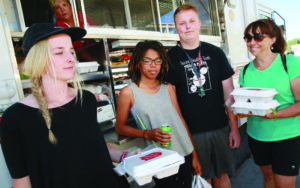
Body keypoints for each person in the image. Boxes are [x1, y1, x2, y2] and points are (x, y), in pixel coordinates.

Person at [0, 23, 140, 188]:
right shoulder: (15, 118)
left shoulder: (86, 99)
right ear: (37, 59)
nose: (71, 59)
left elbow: (95, 145)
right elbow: (21, 181)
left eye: (71, 51)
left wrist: (124, 156)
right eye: (59, 52)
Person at [167, 3, 240, 187]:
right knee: (202, 179)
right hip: (191, 133)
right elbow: (171, 101)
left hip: (220, 128)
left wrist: (234, 128)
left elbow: (228, 96)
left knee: (222, 175)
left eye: (191, 21)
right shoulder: (170, 58)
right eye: (182, 23)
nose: (187, 26)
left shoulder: (215, 53)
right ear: (176, 28)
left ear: (199, 24)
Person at [115, 40, 201, 188]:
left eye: (157, 61)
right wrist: (147, 134)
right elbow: (120, 127)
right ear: (138, 63)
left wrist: (194, 155)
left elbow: (180, 121)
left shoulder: (167, 87)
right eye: (147, 61)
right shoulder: (128, 92)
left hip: (183, 153)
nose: (153, 65)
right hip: (160, 159)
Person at [238, 19, 300, 188]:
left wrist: (274, 114)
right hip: (257, 136)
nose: (252, 42)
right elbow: (245, 104)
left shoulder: (291, 64)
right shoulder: (245, 70)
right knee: (268, 177)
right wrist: (241, 111)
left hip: (286, 136)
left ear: (273, 39)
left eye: (258, 37)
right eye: (248, 37)